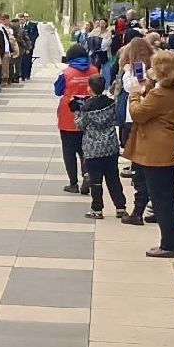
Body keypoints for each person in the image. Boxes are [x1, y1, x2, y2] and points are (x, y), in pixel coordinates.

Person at [122, 51, 174, 256]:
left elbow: (138, 114)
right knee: (166, 196)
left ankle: (169, 244)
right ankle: (171, 241)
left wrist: (134, 94)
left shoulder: (159, 95)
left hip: (157, 152)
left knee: (162, 199)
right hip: (170, 148)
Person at [73, 75, 127, 220]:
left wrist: (76, 113)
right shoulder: (111, 103)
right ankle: (120, 207)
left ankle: (97, 209)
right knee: (113, 177)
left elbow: (80, 125)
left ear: (90, 89)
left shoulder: (87, 107)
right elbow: (116, 118)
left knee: (95, 180)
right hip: (110, 146)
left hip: (93, 148)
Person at [53, 45, 99, 194]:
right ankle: (87, 174)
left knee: (69, 150)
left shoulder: (66, 73)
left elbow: (58, 91)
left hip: (69, 116)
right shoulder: (94, 70)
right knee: (85, 149)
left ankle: (73, 184)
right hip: (90, 114)